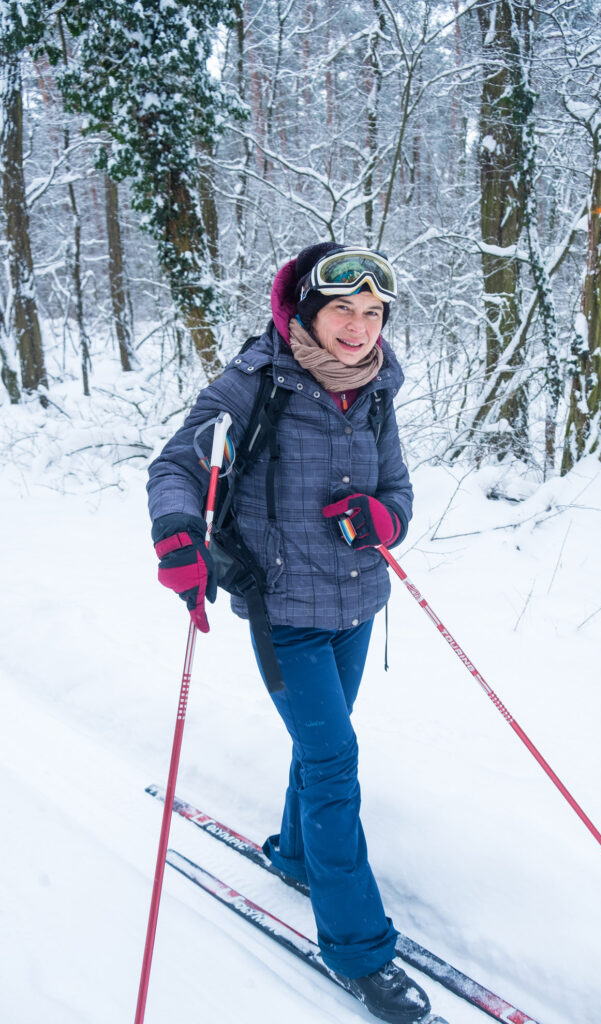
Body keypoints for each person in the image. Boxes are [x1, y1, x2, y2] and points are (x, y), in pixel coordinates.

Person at [146, 243, 430, 1023]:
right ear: (304, 308)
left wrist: (382, 520)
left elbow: (398, 492)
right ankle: (357, 951)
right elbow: (175, 466)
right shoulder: (255, 382)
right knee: (334, 759)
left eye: (372, 314)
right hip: (283, 612)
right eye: (342, 308)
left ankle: (298, 855)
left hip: (356, 606)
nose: (358, 328)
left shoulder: (375, 391)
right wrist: (177, 537)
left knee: (322, 744)